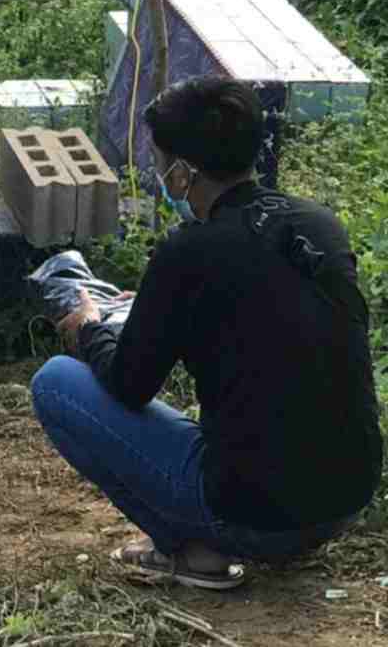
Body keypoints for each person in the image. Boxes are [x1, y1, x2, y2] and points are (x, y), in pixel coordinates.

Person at [35, 76, 381, 590]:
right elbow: (264, 313)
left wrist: (89, 328)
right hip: (346, 499)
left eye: (158, 162)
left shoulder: (187, 251)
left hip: (251, 515)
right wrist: (154, 306)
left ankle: (192, 550)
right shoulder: (318, 223)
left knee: (56, 382)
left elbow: (129, 383)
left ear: (181, 174)